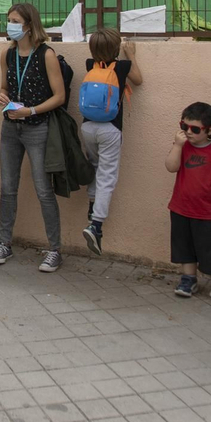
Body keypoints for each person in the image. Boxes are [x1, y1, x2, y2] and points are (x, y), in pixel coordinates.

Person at [0, 2, 67, 272]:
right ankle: (4, 243)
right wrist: (3, 97)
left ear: (28, 24)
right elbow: (4, 87)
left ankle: (55, 249)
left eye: (14, 20)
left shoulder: (46, 54)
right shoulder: (7, 54)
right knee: (8, 187)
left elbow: (60, 96)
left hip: (38, 127)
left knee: (43, 189)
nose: (10, 24)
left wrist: (31, 110)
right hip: (11, 126)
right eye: (8, 19)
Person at [165, 102, 211, 308]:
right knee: (184, 246)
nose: (188, 132)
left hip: (208, 212)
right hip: (181, 207)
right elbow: (171, 167)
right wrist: (177, 145)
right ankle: (189, 279)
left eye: (195, 129)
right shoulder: (182, 146)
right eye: (184, 126)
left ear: (210, 130)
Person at [78, 27, 143, 255]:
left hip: (87, 127)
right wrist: (131, 54)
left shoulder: (89, 64)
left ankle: (92, 205)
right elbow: (139, 80)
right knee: (107, 175)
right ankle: (96, 225)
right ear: (116, 48)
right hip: (110, 129)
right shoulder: (122, 67)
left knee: (95, 167)